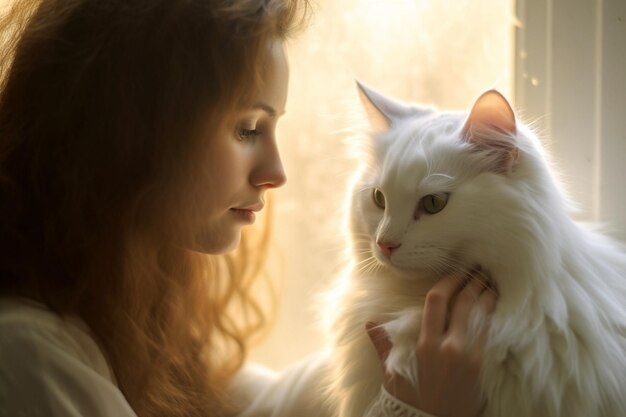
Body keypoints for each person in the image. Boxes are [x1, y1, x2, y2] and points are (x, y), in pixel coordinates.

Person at [0, 1, 497, 416]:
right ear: (133, 131)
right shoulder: (27, 361)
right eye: (247, 129)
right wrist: (409, 407)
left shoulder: (124, 303)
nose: (276, 172)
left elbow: (252, 407)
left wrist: (396, 339)